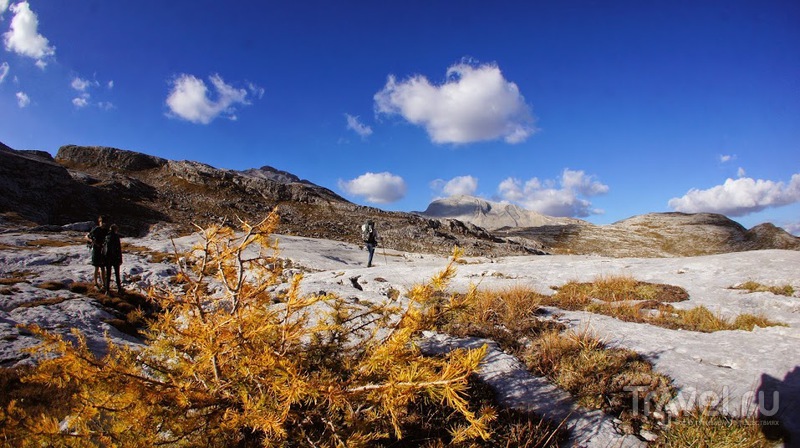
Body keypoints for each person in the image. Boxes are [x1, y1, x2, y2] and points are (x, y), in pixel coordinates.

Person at [85, 215, 109, 289]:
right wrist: (93, 242)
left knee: (102, 267)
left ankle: (104, 283)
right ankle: (96, 283)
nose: (103, 223)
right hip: (96, 249)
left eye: (104, 222)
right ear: (99, 221)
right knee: (96, 267)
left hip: (103, 250)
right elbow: (87, 236)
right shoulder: (96, 229)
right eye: (102, 222)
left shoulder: (106, 230)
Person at [103, 224, 123, 294]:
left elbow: (104, 248)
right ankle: (119, 289)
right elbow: (119, 248)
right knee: (117, 274)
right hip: (115, 258)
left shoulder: (106, 236)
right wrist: (120, 259)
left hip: (107, 258)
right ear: (115, 230)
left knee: (108, 274)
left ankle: (107, 290)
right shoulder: (116, 237)